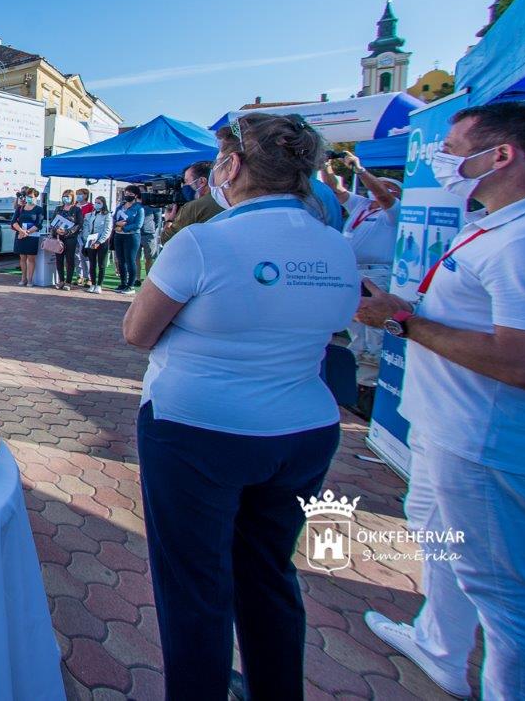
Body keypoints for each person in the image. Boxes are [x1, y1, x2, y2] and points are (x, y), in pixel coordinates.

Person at [122, 113, 357, 698]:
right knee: (270, 574)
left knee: (195, 586)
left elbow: (137, 331)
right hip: (302, 431)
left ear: (231, 167)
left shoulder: (203, 241)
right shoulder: (334, 244)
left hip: (198, 431)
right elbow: (332, 327)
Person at [354, 102, 525, 700]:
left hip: (491, 439)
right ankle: (440, 646)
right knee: (437, 536)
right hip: (450, 426)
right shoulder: (503, 222)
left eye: (454, 152)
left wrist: (405, 323)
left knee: (506, 597)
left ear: (501, 155)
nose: (446, 164)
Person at [319, 152, 402, 387]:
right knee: (354, 321)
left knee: (374, 327)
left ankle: (372, 381)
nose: (374, 190)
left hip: (376, 273)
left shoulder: (394, 211)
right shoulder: (362, 205)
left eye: (385, 186)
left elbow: (383, 197)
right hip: (352, 269)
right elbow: (336, 189)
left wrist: (360, 170)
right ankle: (356, 376)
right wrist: (327, 165)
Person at [160, 161, 221, 244]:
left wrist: (169, 220)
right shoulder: (227, 201)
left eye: (186, 181)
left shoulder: (194, 207)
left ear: (202, 181)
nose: (184, 186)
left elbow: (167, 240)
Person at [111, 184, 145, 294]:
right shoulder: (120, 206)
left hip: (132, 236)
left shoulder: (139, 208)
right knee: (121, 261)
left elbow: (138, 224)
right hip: (118, 236)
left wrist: (124, 228)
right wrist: (117, 225)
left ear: (136, 195)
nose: (127, 196)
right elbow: (114, 219)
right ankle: (123, 283)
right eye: (126, 194)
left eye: (130, 194)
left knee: (130, 260)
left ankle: (130, 285)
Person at [50, 189, 84, 290]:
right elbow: (53, 221)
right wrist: (57, 230)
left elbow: (79, 224)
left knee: (69, 260)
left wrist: (67, 232)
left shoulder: (77, 209)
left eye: (68, 196)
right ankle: (61, 280)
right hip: (58, 237)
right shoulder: (58, 208)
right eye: (64, 196)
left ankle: (68, 282)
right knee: (59, 259)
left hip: (70, 238)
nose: (66, 198)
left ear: (72, 197)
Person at [10, 187, 45, 287]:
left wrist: (27, 232)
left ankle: (30, 280)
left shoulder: (39, 209)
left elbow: (39, 224)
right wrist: (21, 231)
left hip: (32, 236)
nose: (29, 198)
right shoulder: (20, 208)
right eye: (27, 196)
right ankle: (23, 278)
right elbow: (13, 222)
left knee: (31, 258)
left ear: (36, 197)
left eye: (31, 197)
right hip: (20, 235)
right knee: (22, 258)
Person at [82, 195, 113, 294]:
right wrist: (88, 239)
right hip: (91, 241)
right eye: (95, 202)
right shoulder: (90, 215)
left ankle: (99, 285)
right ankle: (93, 284)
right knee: (92, 263)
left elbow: (107, 230)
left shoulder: (107, 215)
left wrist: (99, 241)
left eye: (99, 203)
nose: (96, 204)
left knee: (101, 264)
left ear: (103, 204)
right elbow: (86, 227)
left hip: (102, 243)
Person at [75, 188, 95, 286]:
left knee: (86, 256)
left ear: (86, 195)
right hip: (75, 233)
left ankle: (89, 277)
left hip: (86, 234)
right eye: (77, 194)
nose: (78, 196)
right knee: (77, 255)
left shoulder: (91, 206)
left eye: (80, 194)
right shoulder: (74, 206)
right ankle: (80, 276)